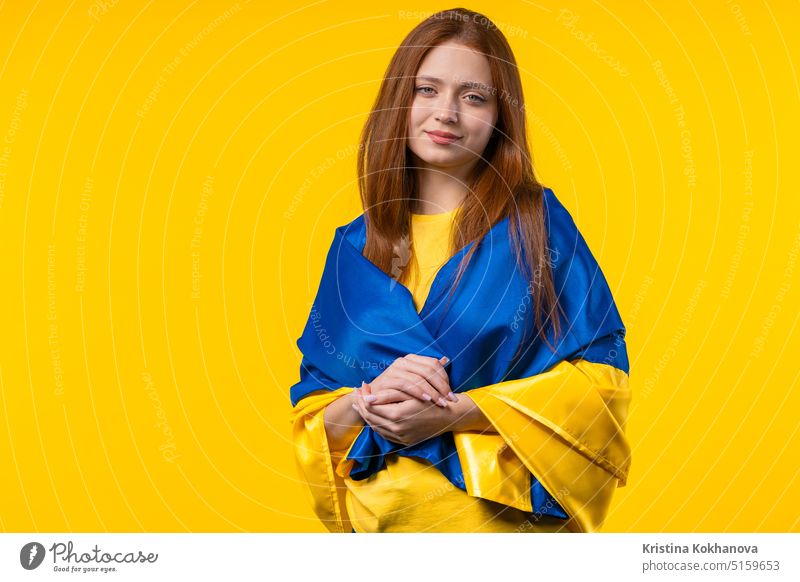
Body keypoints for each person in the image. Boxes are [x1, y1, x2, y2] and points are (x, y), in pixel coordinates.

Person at [289, 7, 631, 533]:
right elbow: (312, 421)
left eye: (473, 96)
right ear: (398, 101)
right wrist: (367, 400)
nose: (445, 112)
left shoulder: (535, 228)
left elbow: (601, 386)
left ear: (500, 117)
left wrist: (456, 411)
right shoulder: (356, 248)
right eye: (426, 89)